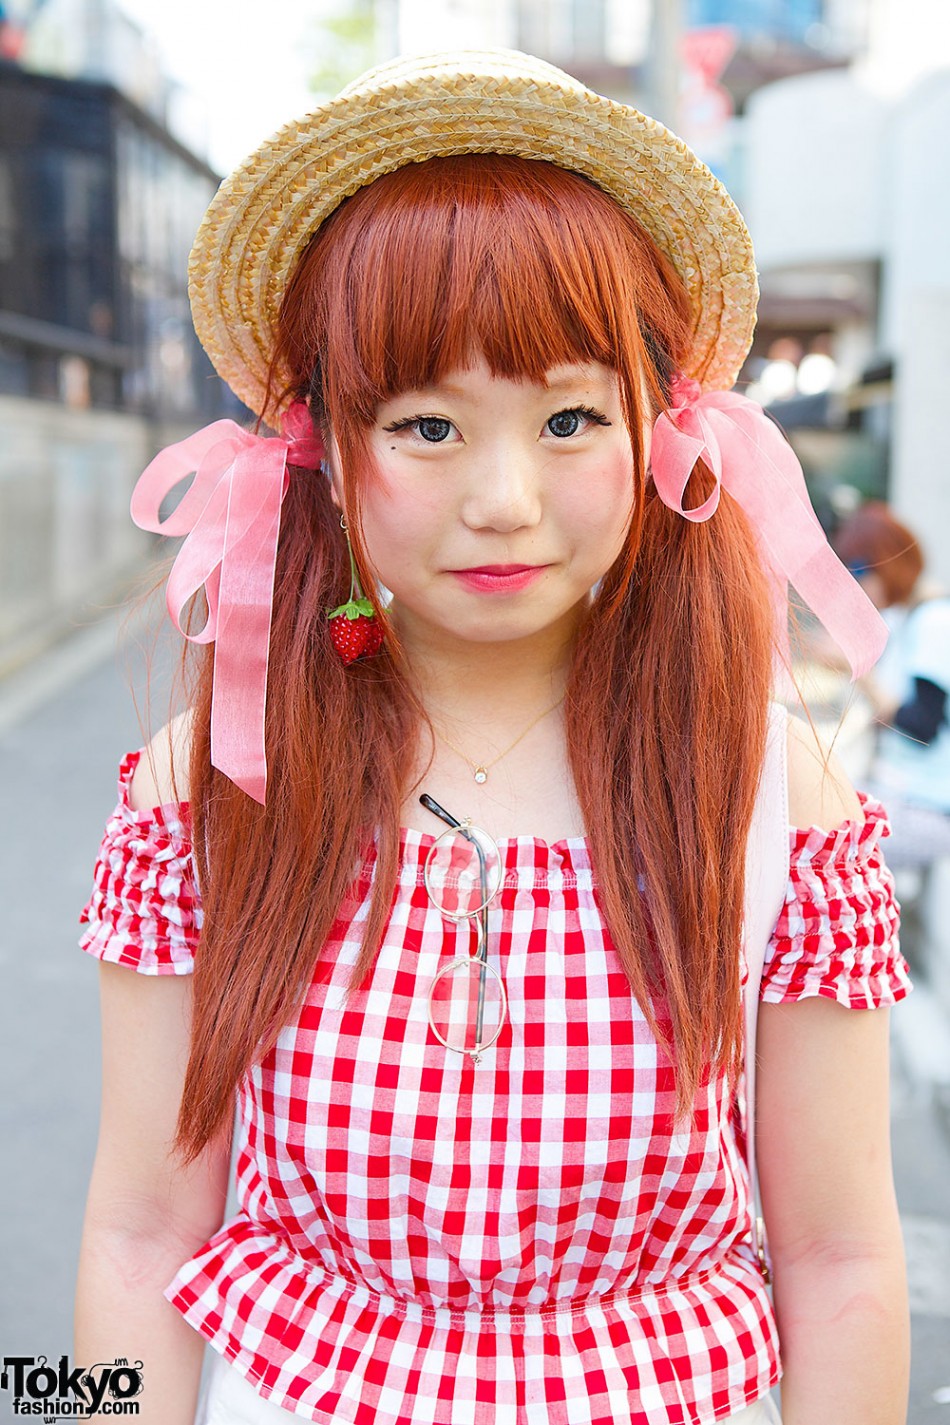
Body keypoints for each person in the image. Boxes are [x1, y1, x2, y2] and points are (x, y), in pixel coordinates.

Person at [72, 50, 912, 1425]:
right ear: (323, 451)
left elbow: (837, 1261)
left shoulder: (770, 792)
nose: (507, 497)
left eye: (570, 416)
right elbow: (135, 1238)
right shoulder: (215, 786)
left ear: (658, 430)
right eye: (427, 425)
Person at [829, 501, 950, 869]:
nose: (855, 581)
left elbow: (921, 726)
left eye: (860, 569)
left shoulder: (933, 621)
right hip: (905, 794)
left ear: (886, 563)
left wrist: (861, 673)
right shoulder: (904, 618)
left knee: (819, 838)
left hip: (928, 806)